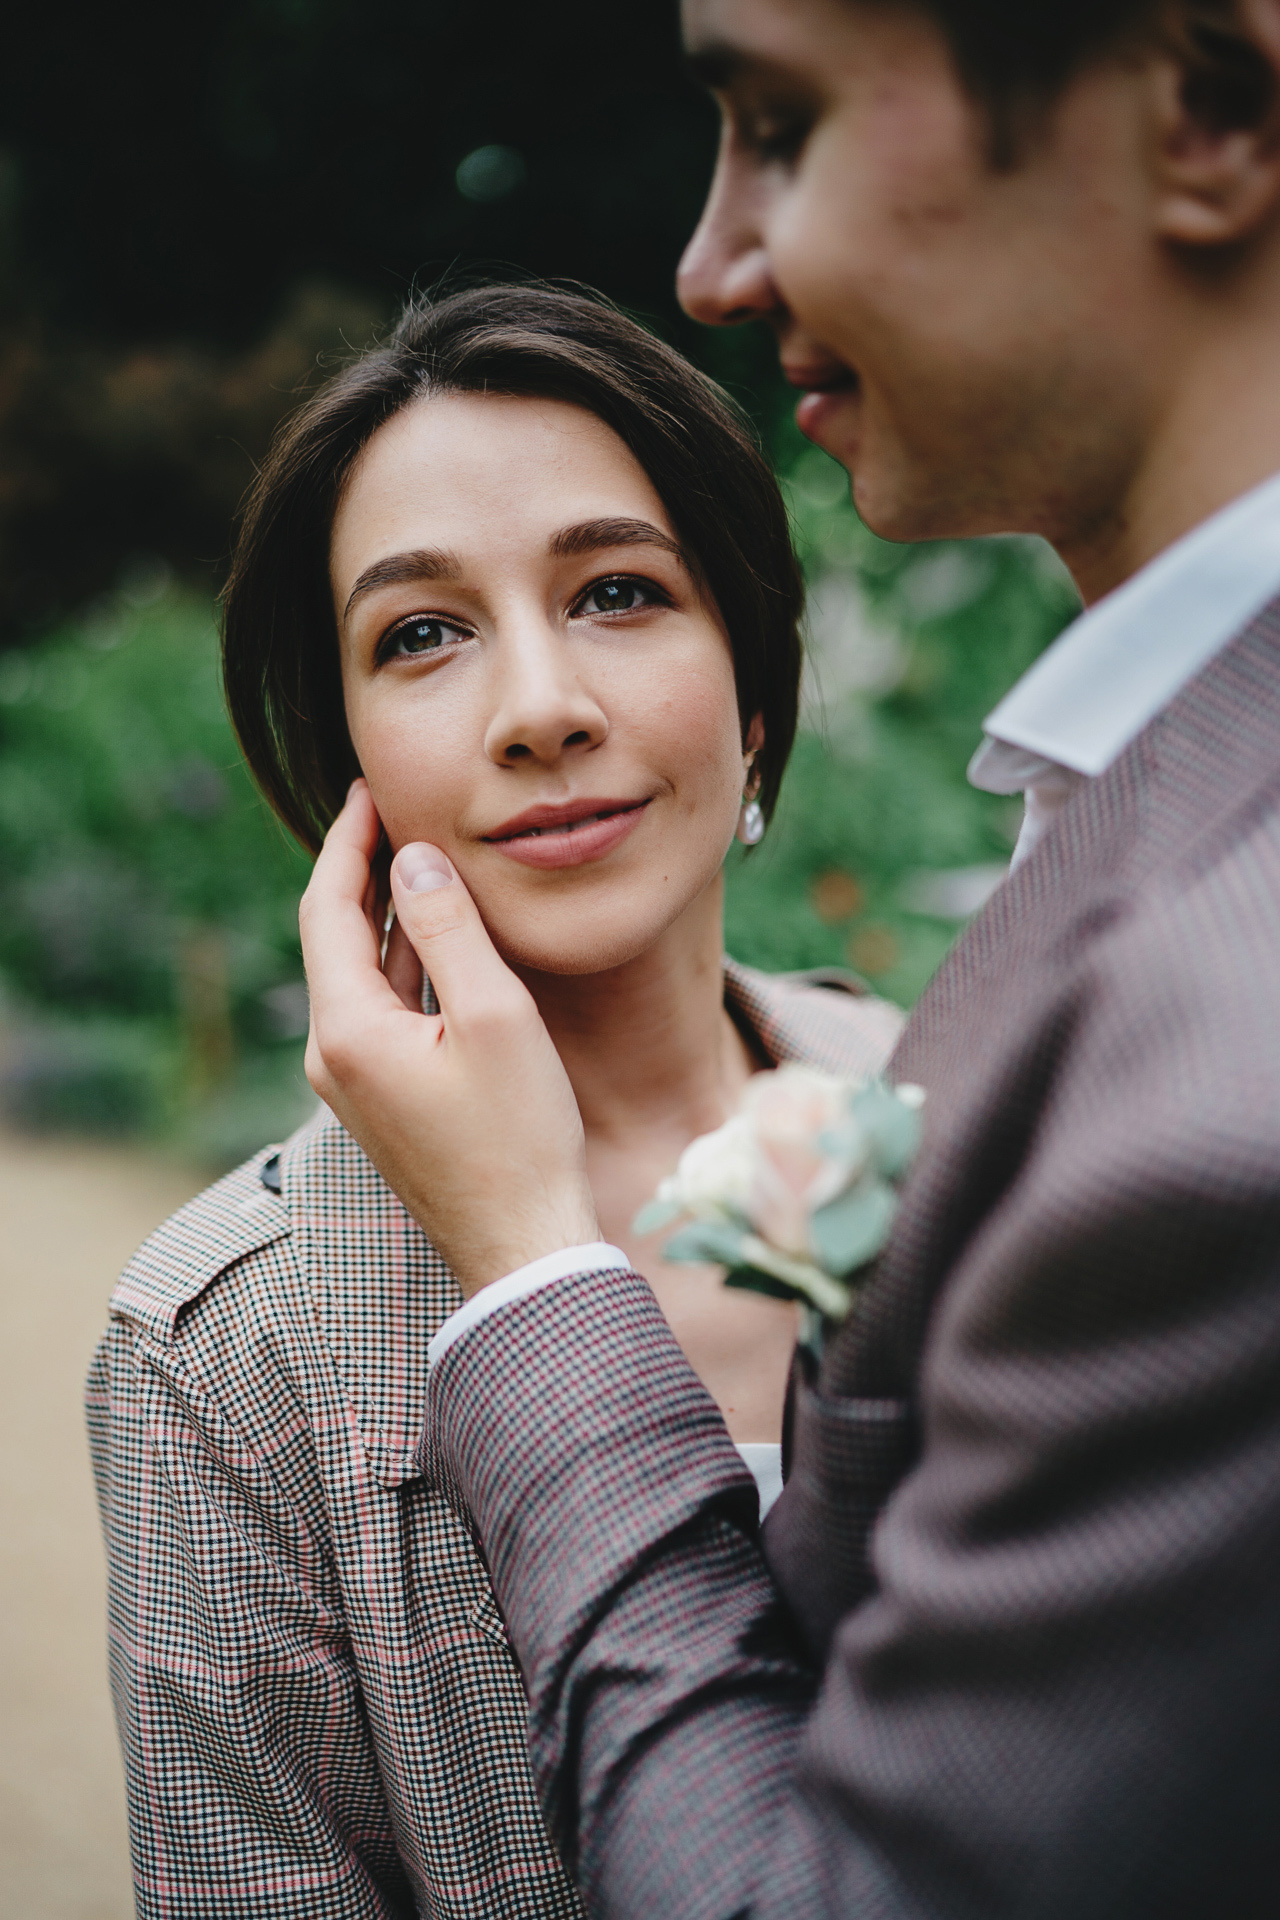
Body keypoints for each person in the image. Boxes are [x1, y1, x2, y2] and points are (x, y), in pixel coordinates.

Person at [299, 2, 1280, 1915]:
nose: (710, 263)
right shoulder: (227, 1333)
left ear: (1211, 110)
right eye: (420, 636)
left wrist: (528, 1275)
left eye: (784, 122)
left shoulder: (1199, 1055)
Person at [85, 283, 902, 1918]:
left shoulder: (973, 1104)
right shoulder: (220, 1352)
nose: (540, 707)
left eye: (617, 591)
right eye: (424, 634)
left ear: (753, 692)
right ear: (350, 776)